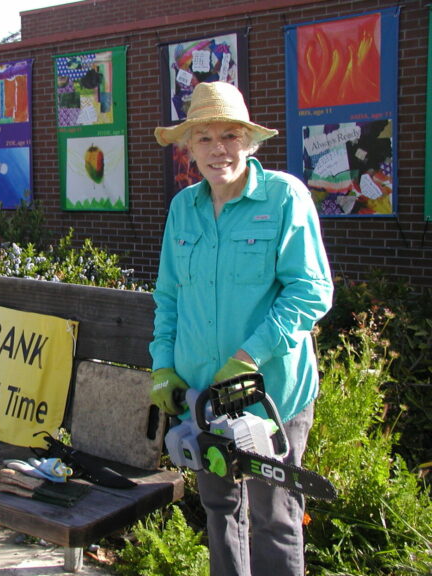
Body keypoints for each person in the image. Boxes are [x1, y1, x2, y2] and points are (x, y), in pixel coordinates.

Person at [148, 81, 333, 576]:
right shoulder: (182, 208)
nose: (218, 149)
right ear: (189, 148)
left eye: (229, 135)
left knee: (275, 519)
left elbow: (310, 291)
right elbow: (168, 297)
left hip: (271, 397)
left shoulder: (284, 197)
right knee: (219, 509)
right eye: (204, 138)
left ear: (248, 142)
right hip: (204, 399)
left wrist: (248, 356)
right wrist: (163, 364)